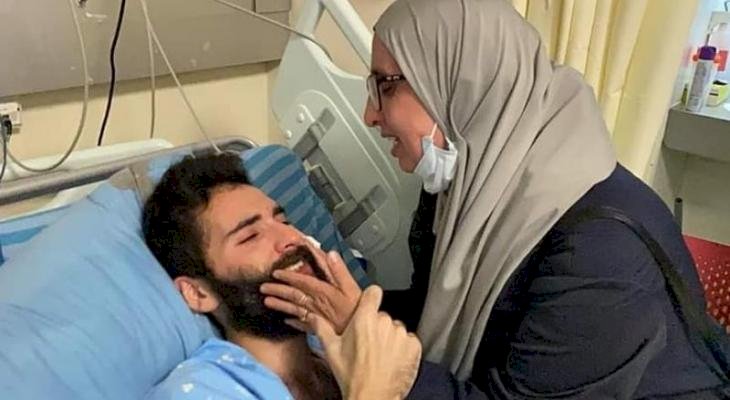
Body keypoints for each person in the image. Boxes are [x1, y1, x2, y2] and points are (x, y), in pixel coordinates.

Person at [260, 0, 730, 398]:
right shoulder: (463, 189)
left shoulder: (599, 250)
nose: (370, 113)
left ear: (463, 82)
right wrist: (358, 311)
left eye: (386, 86)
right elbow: (431, 311)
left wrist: (373, 352)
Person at [141, 153, 421, 400]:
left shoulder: (340, 351)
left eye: (283, 221)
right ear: (197, 293)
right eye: (250, 236)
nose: (292, 237)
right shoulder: (198, 390)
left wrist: (364, 334)